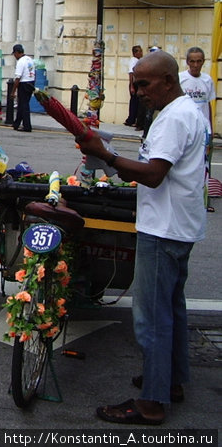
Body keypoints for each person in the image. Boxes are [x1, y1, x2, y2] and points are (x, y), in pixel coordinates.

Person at [77, 51, 207, 425]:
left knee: (152, 317)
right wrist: (112, 158)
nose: (138, 92)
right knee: (172, 309)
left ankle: (151, 403)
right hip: (178, 225)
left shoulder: (175, 117)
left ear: (168, 80)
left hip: (164, 229)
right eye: (135, 84)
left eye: (144, 84)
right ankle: (170, 382)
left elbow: (153, 174)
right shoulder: (180, 113)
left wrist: (108, 157)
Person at [178, 46, 213, 130]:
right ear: (187, 62)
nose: (195, 65)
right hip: (185, 126)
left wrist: (211, 127)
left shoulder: (207, 80)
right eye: (192, 61)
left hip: (203, 127)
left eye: (199, 61)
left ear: (203, 62)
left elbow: (208, 104)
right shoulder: (180, 78)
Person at [9, 44, 35, 132]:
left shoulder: (21, 62)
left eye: (14, 54)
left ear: (17, 52)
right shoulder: (29, 59)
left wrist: (13, 91)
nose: (14, 56)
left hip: (23, 84)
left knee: (24, 106)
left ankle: (27, 126)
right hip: (31, 82)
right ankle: (16, 123)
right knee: (22, 104)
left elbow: (18, 78)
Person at [124, 45, 144, 128]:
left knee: (136, 102)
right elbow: (131, 73)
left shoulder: (138, 61)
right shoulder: (134, 60)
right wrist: (132, 86)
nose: (141, 53)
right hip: (134, 84)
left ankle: (133, 119)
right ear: (135, 53)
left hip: (136, 84)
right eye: (140, 51)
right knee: (134, 102)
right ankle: (131, 120)